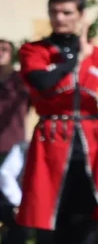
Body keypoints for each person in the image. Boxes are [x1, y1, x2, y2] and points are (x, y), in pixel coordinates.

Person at [18, 0, 98, 244]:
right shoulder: (34, 50)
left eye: (67, 12)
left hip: (91, 142)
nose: (59, 18)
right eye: (54, 12)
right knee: (51, 210)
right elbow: (42, 81)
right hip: (53, 139)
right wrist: (75, 60)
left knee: (88, 212)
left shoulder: (96, 54)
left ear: (80, 16)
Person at [0, 39, 28, 244]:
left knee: (13, 204)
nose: (0, 53)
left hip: (12, 149)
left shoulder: (21, 80)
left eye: (4, 49)